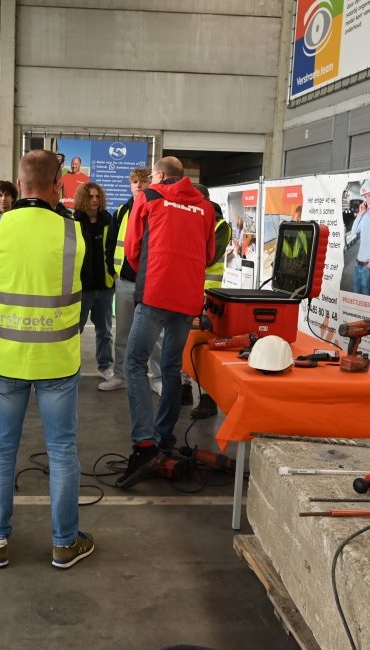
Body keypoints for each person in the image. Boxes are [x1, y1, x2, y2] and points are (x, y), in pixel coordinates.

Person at [0, 149, 94, 570]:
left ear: (19, 186)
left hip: (5, 358)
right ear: (58, 186)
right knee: (62, 450)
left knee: (2, 450)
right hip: (57, 359)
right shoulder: (74, 233)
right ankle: (65, 543)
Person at [116, 157, 214, 490]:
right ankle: (164, 439)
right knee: (171, 367)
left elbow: (132, 250)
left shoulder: (149, 197)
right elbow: (209, 253)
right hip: (187, 299)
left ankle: (145, 444)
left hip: (156, 292)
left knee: (134, 364)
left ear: (158, 175)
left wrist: (154, 269)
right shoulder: (205, 206)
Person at [99, 168, 150, 391]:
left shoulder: (157, 209)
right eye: (135, 181)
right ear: (130, 185)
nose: (139, 185)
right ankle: (120, 376)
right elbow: (111, 244)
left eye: (143, 181)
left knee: (154, 335)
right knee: (122, 333)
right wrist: (113, 271)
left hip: (150, 284)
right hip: (125, 282)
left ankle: (157, 378)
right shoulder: (121, 212)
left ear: (150, 183)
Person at [190, 184, 232, 420]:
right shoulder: (191, 220)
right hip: (188, 292)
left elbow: (209, 257)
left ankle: (207, 399)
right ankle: (184, 389)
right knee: (185, 345)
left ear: (206, 200)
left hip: (209, 296)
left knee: (204, 348)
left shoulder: (221, 226)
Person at [73, 182, 114, 380]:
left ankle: (105, 367)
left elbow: (114, 250)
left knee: (105, 331)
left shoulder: (108, 220)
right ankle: (70, 367)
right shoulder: (73, 221)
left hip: (105, 287)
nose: (95, 200)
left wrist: (114, 274)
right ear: (83, 198)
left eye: (98, 196)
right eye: (90, 196)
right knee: (75, 331)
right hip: (81, 288)